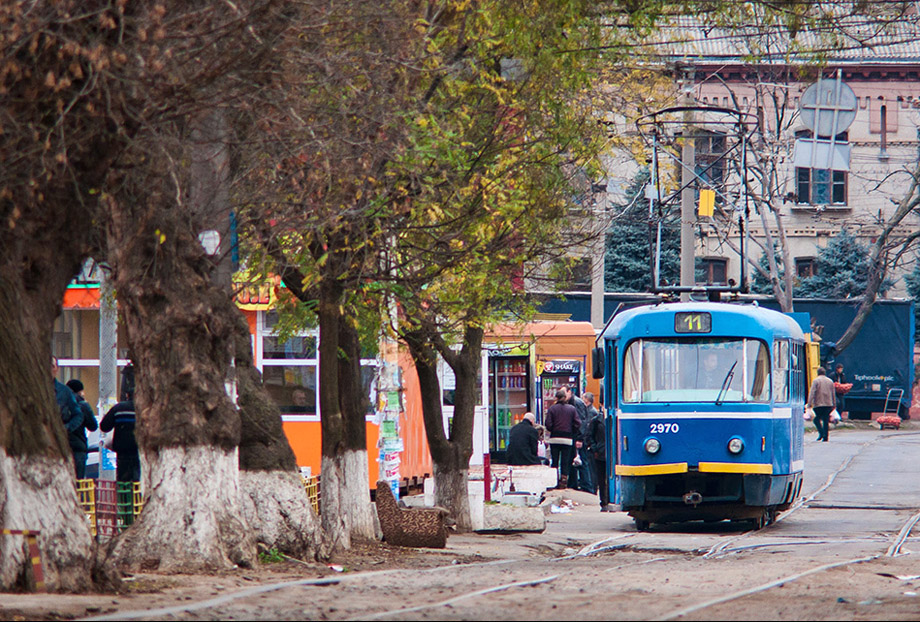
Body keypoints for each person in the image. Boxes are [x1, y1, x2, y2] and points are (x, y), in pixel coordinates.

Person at [100, 389, 140, 482]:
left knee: (123, 478)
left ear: (127, 395)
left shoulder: (118, 408)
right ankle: (137, 494)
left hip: (122, 449)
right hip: (138, 448)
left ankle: (123, 495)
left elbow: (104, 426)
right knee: (137, 478)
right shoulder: (143, 409)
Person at [544, 389, 581, 489]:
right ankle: (564, 482)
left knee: (555, 460)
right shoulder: (571, 409)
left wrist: (553, 429)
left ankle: (554, 481)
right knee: (565, 461)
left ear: (556, 398)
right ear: (565, 398)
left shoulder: (552, 409)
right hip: (567, 439)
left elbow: (548, 424)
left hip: (555, 438)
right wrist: (571, 431)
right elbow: (578, 423)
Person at [65, 379, 99, 479]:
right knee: (78, 481)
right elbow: (93, 426)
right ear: (79, 391)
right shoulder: (82, 405)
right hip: (78, 448)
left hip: (61, 448)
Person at [564, 385, 594, 493]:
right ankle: (574, 485)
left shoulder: (577, 403)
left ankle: (587, 487)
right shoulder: (571, 402)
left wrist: (580, 438)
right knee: (574, 461)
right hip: (574, 437)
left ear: (569, 392)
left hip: (579, 438)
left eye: (564, 393)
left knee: (582, 461)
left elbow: (582, 421)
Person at [584, 396, 609, 511]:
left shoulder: (613, 419)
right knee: (601, 478)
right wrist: (595, 448)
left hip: (612, 455)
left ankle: (609, 499)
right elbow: (589, 436)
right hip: (600, 453)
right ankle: (603, 502)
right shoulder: (596, 420)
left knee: (609, 478)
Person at [52, 356, 83, 439]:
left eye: (52, 366)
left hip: (58, 440)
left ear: (57, 369)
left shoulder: (65, 391)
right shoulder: (33, 390)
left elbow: (78, 415)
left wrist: (65, 429)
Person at [807, 366, 836, 442]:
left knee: (816, 420)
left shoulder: (816, 381)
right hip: (828, 404)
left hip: (818, 404)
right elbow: (833, 393)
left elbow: (812, 392)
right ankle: (826, 437)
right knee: (825, 420)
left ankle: (821, 433)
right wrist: (834, 404)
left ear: (818, 373)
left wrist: (809, 403)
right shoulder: (830, 381)